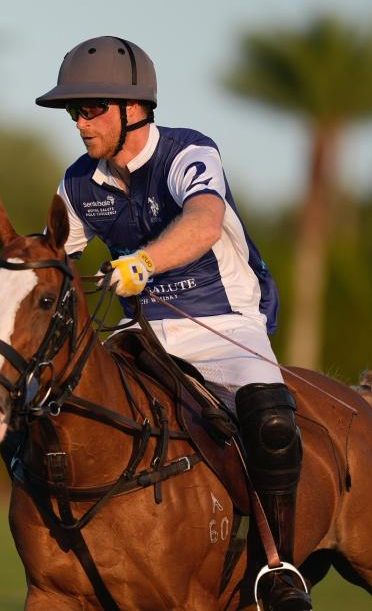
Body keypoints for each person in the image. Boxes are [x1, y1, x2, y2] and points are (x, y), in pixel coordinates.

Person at [35, 36, 311, 611]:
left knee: (272, 420)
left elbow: (205, 220)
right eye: (73, 112)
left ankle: (277, 569)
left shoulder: (187, 152)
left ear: (133, 110)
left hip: (224, 321)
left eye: (91, 109)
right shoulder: (79, 182)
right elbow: (49, 259)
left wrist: (145, 261)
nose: (80, 123)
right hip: (142, 330)